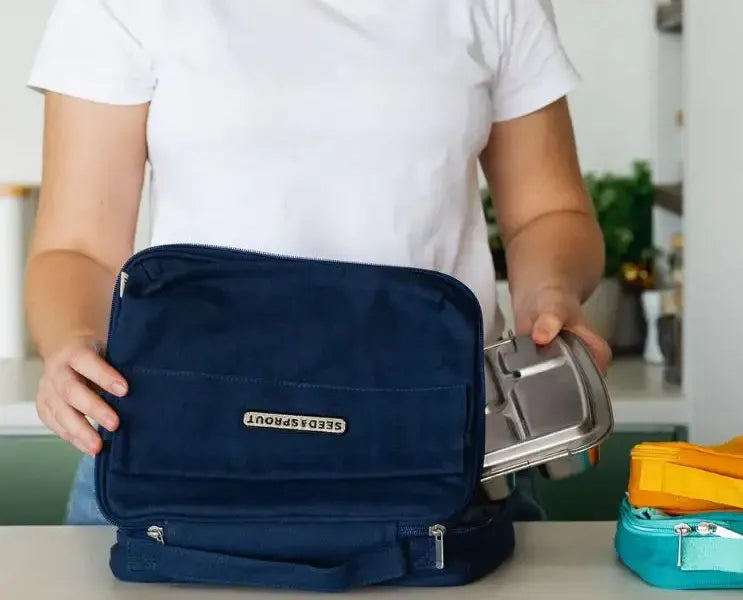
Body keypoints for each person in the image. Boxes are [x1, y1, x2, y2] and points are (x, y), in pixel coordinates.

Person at [25, 0, 611, 526]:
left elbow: (547, 211)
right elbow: (77, 249)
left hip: (438, 451)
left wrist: (550, 293)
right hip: (180, 451)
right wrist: (71, 340)